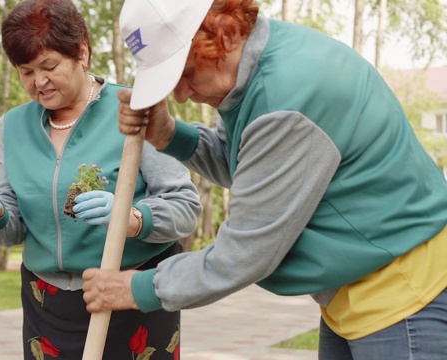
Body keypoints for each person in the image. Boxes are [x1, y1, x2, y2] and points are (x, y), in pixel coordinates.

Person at [82, 0, 447, 359]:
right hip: (360, 289)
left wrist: (133, 287)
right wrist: (167, 134)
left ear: (222, 37)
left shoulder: (285, 94)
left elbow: (245, 253)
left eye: (186, 73)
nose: (180, 94)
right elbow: (251, 165)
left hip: (399, 295)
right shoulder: (265, 63)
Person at [0, 0, 201, 358]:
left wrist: (131, 217)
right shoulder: (14, 126)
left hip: (130, 292)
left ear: (82, 52)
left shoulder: (134, 107)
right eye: (26, 72)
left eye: (49, 66)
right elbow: (11, 228)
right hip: (46, 302)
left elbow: (185, 207)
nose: (39, 82)